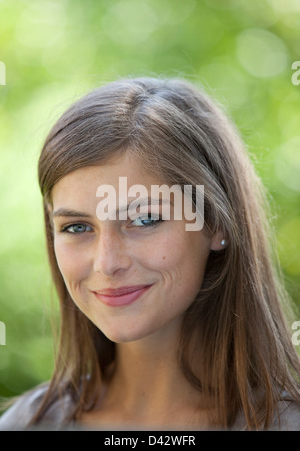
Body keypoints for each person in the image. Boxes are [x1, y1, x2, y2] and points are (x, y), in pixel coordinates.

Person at [0, 77, 300, 431]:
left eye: (144, 220)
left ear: (218, 223)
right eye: (77, 227)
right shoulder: (28, 425)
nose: (107, 263)